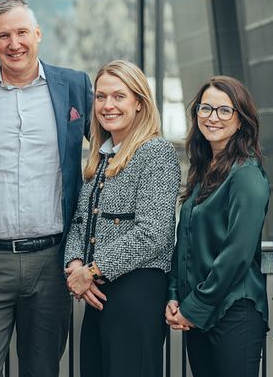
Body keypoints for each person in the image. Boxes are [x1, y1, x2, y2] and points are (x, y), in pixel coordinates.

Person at [0, 0, 92, 377]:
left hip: (51, 261)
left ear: (38, 34)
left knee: (42, 370)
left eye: (22, 32)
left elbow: (116, 150)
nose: (14, 44)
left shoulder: (75, 87)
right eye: (3, 35)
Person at [64, 60, 181, 377]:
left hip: (137, 293)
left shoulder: (156, 152)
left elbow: (153, 233)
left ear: (139, 103)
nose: (107, 105)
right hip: (98, 294)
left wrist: (92, 269)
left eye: (119, 96)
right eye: (101, 97)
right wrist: (75, 264)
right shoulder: (100, 156)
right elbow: (79, 222)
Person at [165, 76, 269, 377]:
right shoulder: (203, 170)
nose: (213, 117)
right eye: (205, 108)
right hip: (198, 312)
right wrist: (174, 295)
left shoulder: (247, 175)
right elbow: (183, 242)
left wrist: (192, 306)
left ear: (241, 121)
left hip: (234, 313)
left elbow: (235, 255)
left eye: (225, 110)